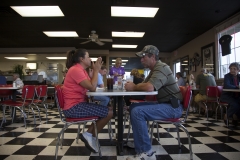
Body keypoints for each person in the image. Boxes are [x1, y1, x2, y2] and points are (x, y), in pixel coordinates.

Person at [124, 45, 183, 160]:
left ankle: (147, 153)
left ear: (153, 57)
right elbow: (143, 86)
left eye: (143, 57)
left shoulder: (161, 67)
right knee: (133, 107)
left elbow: (149, 87)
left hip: (173, 107)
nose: (141, 59)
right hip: (166, 104)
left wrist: (134, 87)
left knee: (137, 111)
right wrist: (135, 87)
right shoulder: (154, 70)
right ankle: (140, 143)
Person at [62, 49, 113, 153]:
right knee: (109, 112)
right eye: (88, 57)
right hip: (73, 108)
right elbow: (93, 87)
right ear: (82, 59)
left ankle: (91, 136)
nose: (90, 59)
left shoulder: (81, 70)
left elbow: (90, 87)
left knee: (109, 109)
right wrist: (96, 70)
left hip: (78, 104)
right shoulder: (76, 70)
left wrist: (93, 73)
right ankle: (89, 135)